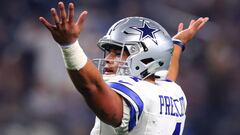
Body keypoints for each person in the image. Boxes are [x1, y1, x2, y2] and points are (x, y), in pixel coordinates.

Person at [39, 2, 208, 135]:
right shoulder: (171, 90)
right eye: (109, 52)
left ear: (147, 56)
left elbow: (92, 88)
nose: (108, 60)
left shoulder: (136, 94)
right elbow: (168, 71)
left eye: (119, 53)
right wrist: (177, 44)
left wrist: (69, 46)